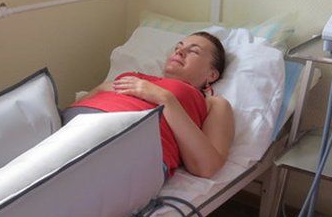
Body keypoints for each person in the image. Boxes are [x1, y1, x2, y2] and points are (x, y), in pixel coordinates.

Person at [64, 32, 234, 179]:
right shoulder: (136, 77)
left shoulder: (213, 103)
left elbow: (208, 166)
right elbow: (75, 106)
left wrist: (165, 98)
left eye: (194, 51)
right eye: (178, 47)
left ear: (212, 74)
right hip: (72, 124)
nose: (179, 51)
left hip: (125, 143)